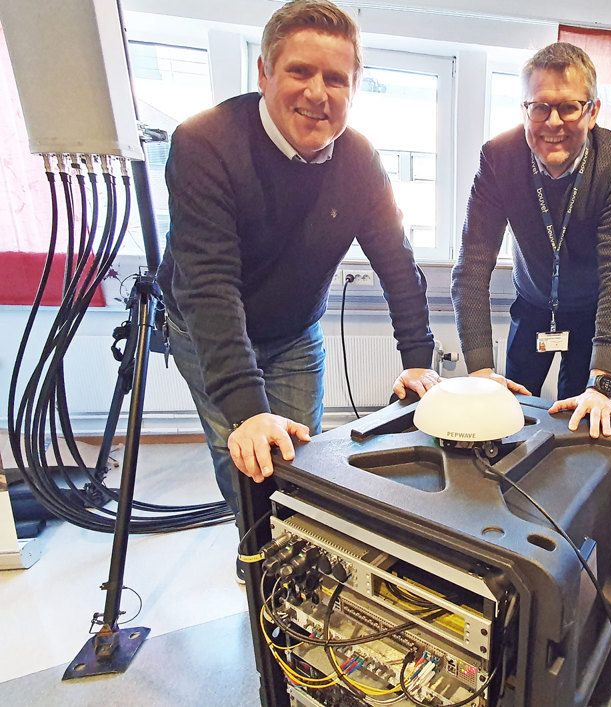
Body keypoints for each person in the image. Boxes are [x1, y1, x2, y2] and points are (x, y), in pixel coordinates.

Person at [156, 0, 440, 519]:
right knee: (244, 455)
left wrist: (419, 360)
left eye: (335, 78)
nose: (316, 93)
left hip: (293, 333)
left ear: (353, 89)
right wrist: (245, 409)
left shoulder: (359, 159)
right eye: (299, 71)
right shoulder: (204, 142)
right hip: (209, 329)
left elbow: (397, 263)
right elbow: (208, 285)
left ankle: (295, 556)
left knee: (301, 460)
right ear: (264, 73)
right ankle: (255, 555)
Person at [451, 42, 611, 438]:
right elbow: (472, 266)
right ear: (525, 110)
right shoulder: (498, 157)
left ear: (592, 111)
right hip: (533, 305)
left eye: (569, 107)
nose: (553, 122)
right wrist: (481, 371)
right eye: (540, 107)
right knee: (509, 413)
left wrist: (603, 382)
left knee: (580, 422)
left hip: (592, 313)